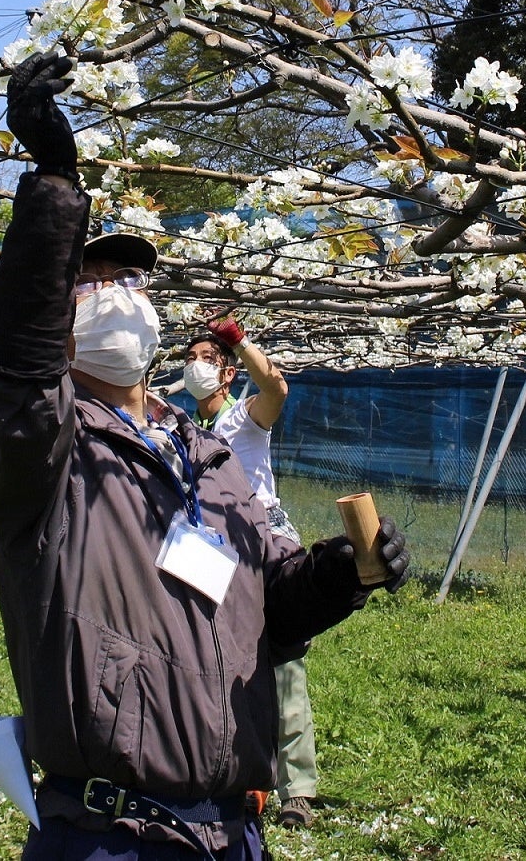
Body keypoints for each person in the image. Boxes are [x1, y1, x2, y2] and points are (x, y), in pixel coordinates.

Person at [0, 53, 410, 860]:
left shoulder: (209, 455)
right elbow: (18, 361)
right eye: (93, 280)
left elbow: (273, 603)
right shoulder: (47, 455)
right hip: (112, 834)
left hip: (233, 830)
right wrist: (54, 185)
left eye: (133, 279)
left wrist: (342, 572)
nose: (119, 294)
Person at [181, 322, 320, 830]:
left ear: (226, 372)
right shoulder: (185, 432)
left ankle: (297, 788)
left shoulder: (244, 418)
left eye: (206, 357)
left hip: (265, 545)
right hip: (217, 554)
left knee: (282, 660)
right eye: (190, 356)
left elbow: (276, 388)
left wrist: (237, 339)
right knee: (224, 661)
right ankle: (244, 775)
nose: (194, 363)